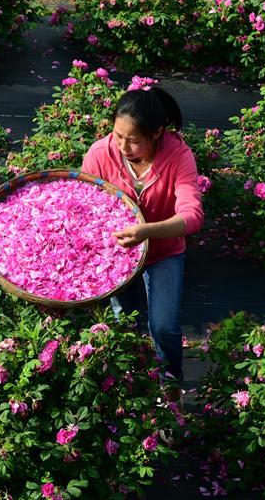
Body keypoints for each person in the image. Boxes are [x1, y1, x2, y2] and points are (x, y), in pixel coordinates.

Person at [81, 87, 204, 386]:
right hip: (117, 254)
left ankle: (170, 381)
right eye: (117, 135)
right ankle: (131, 380)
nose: (123, 146)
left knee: (162, 326)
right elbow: (82, 204)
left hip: (163, 251)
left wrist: (147, 231)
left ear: (157, 133)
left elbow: (192, 215)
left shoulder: (178, 156)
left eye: (134, 140)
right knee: (125, 320)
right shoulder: (100, 153)